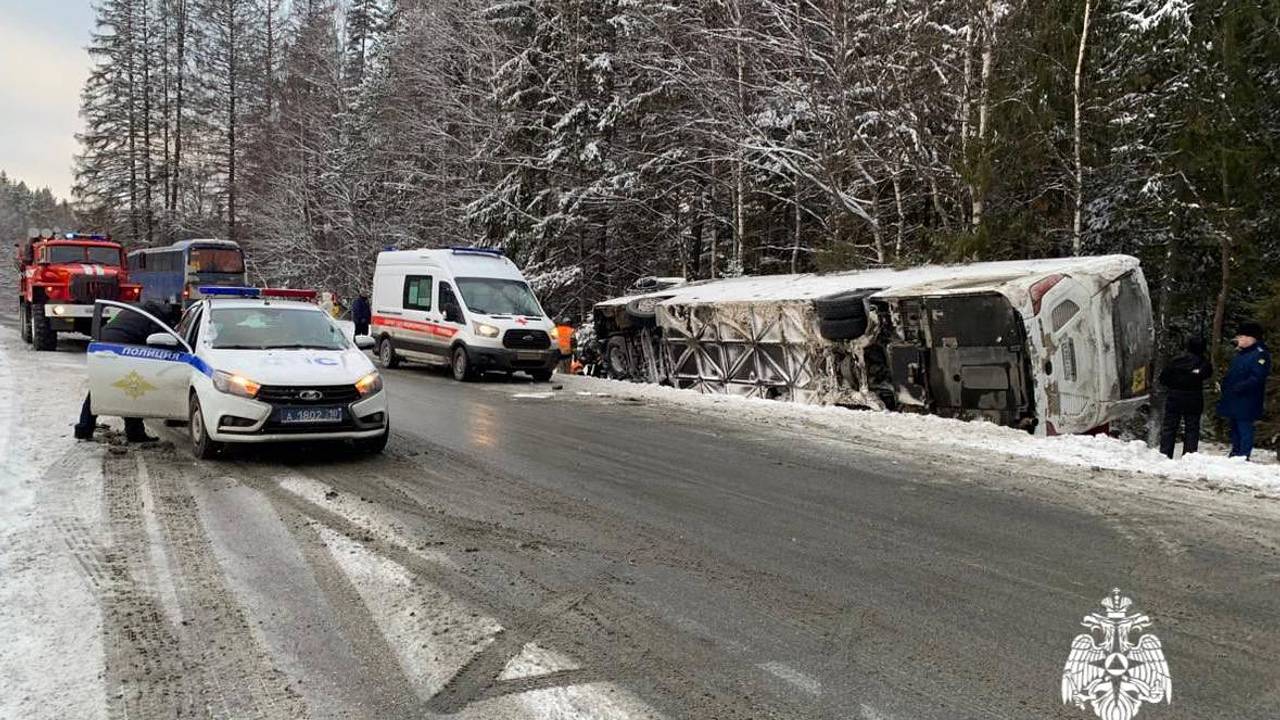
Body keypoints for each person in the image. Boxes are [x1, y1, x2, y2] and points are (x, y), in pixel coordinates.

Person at [73, 302, 173, 442]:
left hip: (102, 344)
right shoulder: (155, 320)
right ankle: (135, 432)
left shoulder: (133, 310)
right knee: (133, 389)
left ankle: (83, 428)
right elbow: (156, 343)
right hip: (123, 348)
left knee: (99, 389)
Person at [1217, 321, 1271, 459]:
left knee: (1244, 427)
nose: (1238, 340)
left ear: (1250, 338)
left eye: (1241, 337)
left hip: (1247, 398)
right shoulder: (1242, 354)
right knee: (1234, 426)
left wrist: (1241, 386)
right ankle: (1235, 451)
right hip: (1235, 397)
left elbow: (1257, 377)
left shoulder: (1260, 354)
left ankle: (1243, 454)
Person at [1157, 336, 1212, 458]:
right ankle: (1189, 454)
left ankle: (1165, 453)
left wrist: (1173, 385)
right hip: (1194, 397)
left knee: (1169, 427)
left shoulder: (1176, 361)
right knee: (1192, 427)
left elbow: (1163, 378)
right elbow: (1208, 375)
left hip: (1175, 395)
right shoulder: (1204, 363)